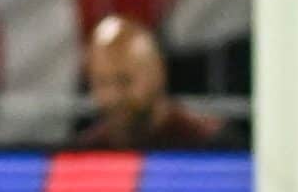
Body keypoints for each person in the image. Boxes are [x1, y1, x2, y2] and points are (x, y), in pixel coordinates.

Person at [74, 15, 232, 150]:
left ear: (157, 73)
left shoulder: (211, 146)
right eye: (101, 83)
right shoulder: (87, 153)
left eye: (124, 80)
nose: (113, 96)